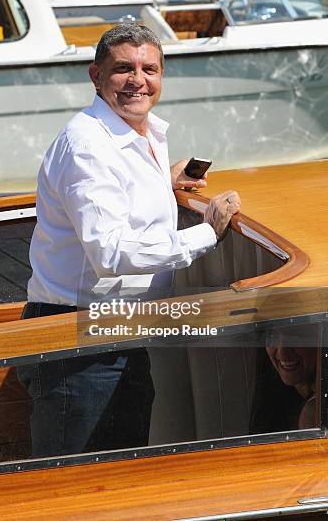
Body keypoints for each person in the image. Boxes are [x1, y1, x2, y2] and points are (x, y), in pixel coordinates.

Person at [18, 23, 241, 458]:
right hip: (78, 344)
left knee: (118, 479)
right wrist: (206, 233)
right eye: (123, 68)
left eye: (149, 68)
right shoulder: (88, 148)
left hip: (112, 333)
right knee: (76, 490)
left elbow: (117, 202)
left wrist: (164, 179)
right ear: (95, 76)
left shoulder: (139, 134)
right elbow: (111, 252)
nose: (138, 80)